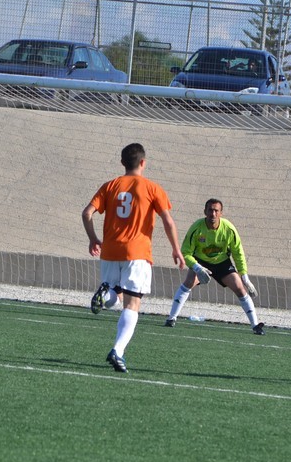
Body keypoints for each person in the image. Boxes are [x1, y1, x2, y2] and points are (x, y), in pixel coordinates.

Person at [83, 143, 183, 374]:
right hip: (137, 253)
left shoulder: (110, 186)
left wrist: (93, 239)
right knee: (132, 304)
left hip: (110, 251)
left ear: (122, 163)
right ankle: (117, 350)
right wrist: (176, 249)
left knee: (115, 296)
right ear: (143, 163)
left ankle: (105, 295)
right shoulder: (152, 188)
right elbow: (168, 221)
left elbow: (87, 213)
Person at [164, 199, 264, 335]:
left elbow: (238, 253)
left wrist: (245, 277)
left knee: (239, 287)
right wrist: (197, 268)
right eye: (210, 210)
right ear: (205, 211)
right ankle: (171, 318)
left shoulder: (229, 229)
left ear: (221, 213)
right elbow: (185, 253)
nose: (213, 214)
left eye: (216, 210)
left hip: (222, 263)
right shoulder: (196, 228)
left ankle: (255, 325)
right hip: (201, 262)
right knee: (188, 282)